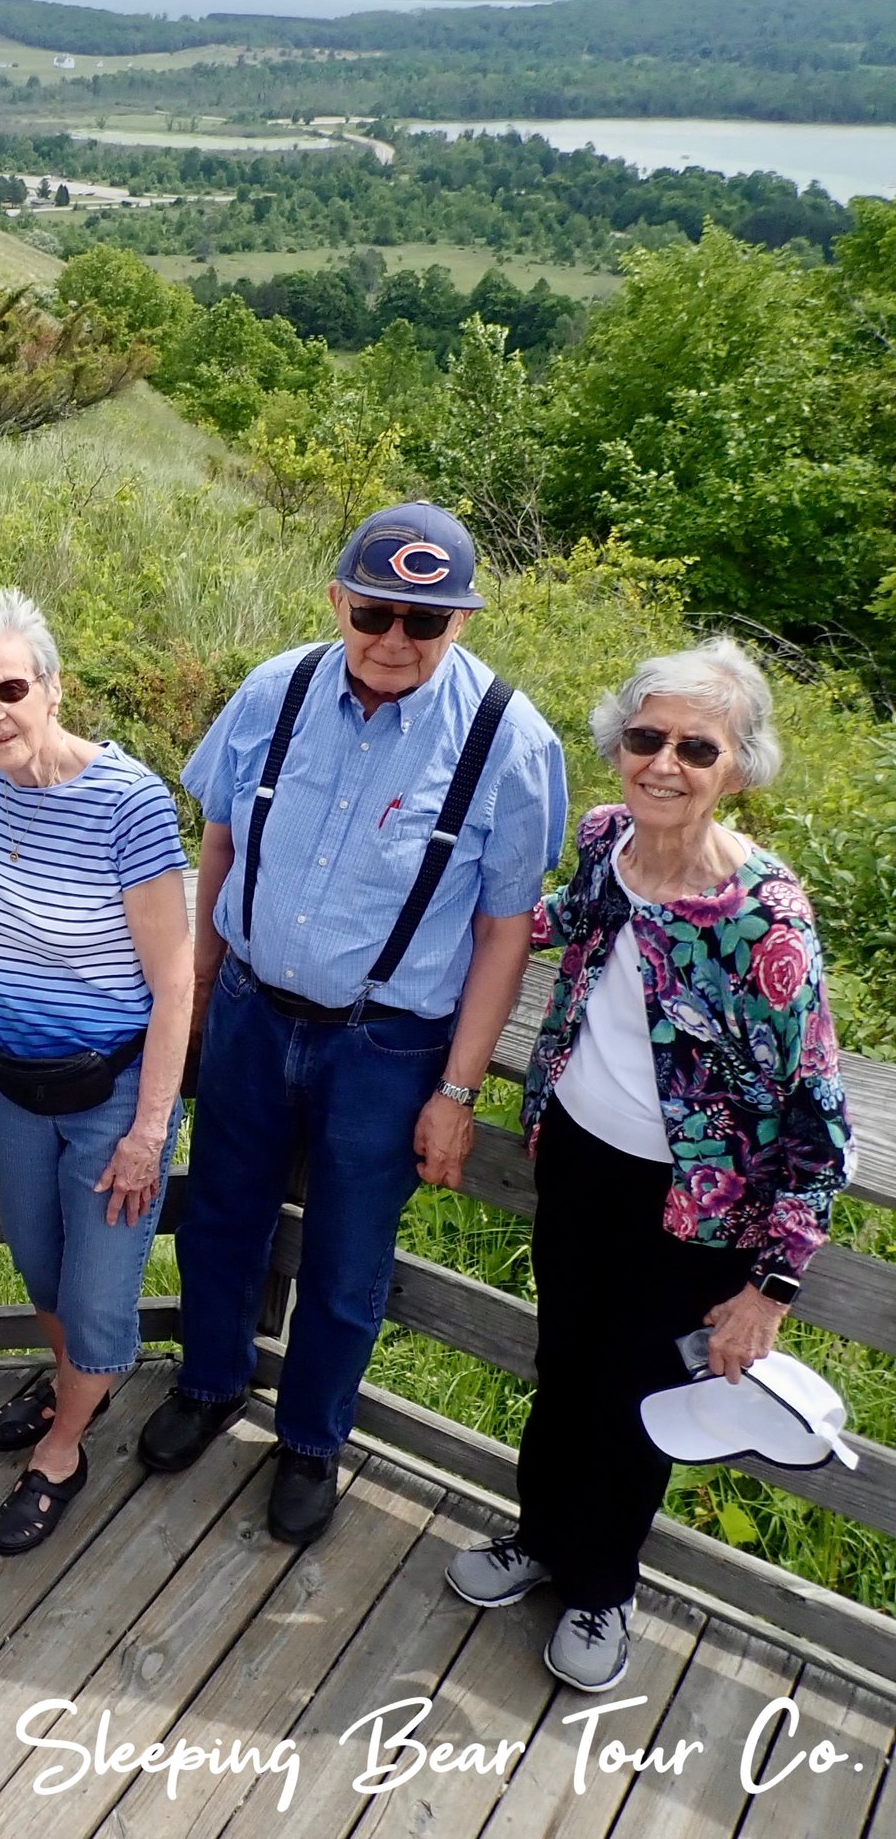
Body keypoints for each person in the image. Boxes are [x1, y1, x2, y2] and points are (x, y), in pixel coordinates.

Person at [142, 503, 568, 1547]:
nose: (393, 640)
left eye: (423, 622)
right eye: (373, 610)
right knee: (220, 1217)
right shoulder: (274, 688)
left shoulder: (510, 742)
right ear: (338, 599)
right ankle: (208, 1385)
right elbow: (220, 841)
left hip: (388, 1045)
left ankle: (310, 1441)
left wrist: (458, 1092)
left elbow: (505, 931)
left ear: (460, 622)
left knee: (345, 1257)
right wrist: (194, 989)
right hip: (248, 1009)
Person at [446, 639, 850, 1693]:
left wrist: (770, 1288)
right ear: (617, 746)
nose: (662, 762)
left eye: (694, 746)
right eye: (644, 738)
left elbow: (818, 1120)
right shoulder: (606, 842)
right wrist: (457, 932)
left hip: (693, 1209)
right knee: (563, 1366)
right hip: (580, 1164)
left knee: (638, 1398)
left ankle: (601, 1586)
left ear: (736, 767)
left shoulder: (764, 923)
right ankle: (538, 1539)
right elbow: (572, 923)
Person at [0, 593, 194, 1555]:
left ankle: (65, 1443)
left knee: (96, 1290)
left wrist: (146, 1133)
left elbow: (175, 986)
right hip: (7, 1077)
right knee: (37, 1258)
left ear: (53, 687)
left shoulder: (129, 802)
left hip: (109, 1092)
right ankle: (68, 1380)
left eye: (12, 688)